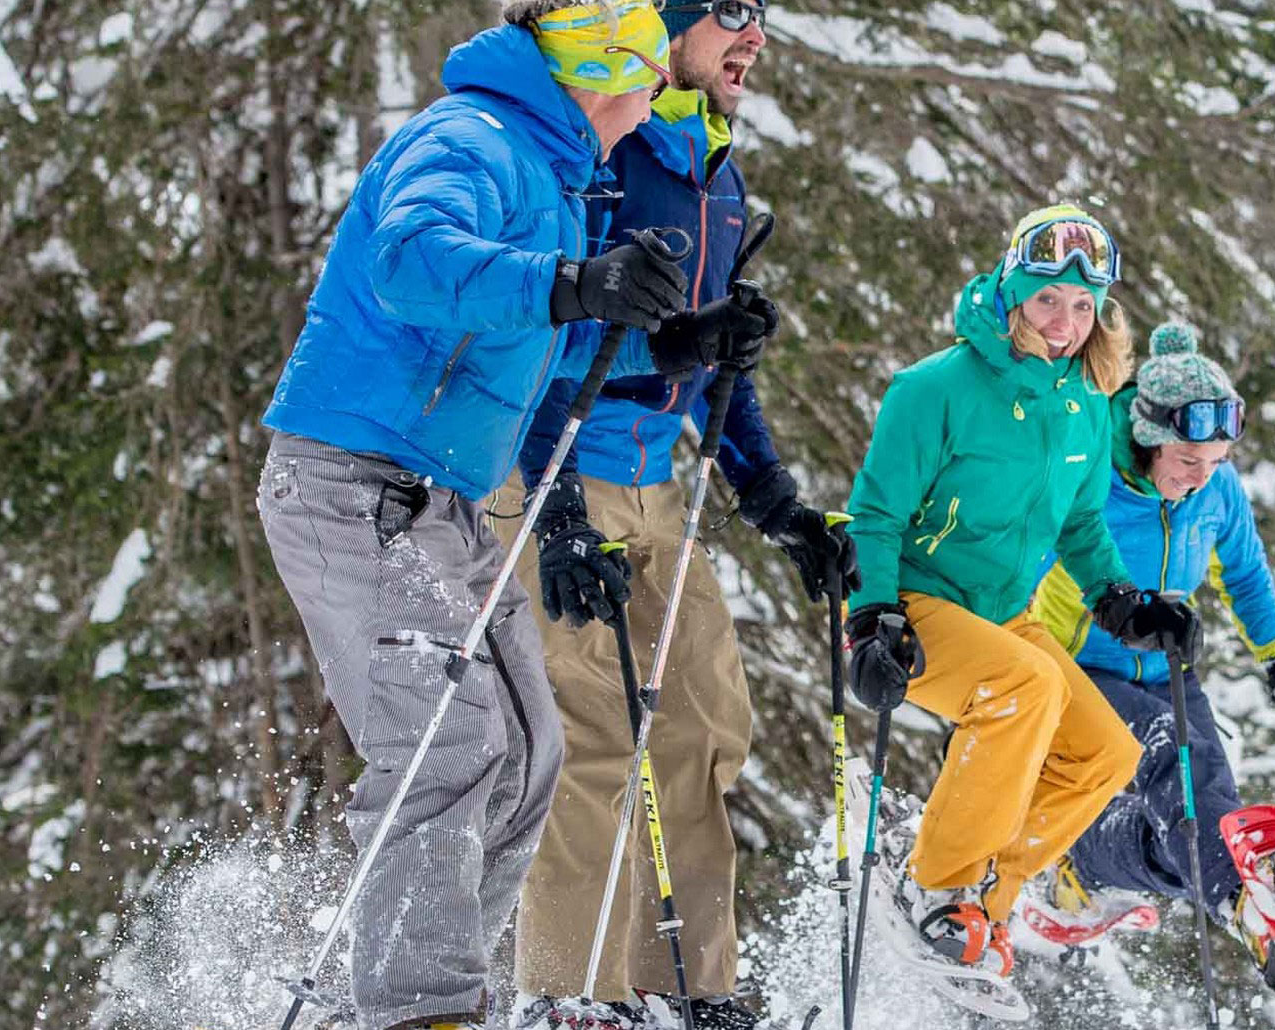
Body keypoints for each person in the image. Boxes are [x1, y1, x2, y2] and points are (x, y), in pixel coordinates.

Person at [252, 4, 687, 1029]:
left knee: (529, 744)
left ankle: (441, 993)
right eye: (650, 76)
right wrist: (576, 282)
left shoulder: (550, 169)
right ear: (602, 72)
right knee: (444, 743)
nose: (658, 99)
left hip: (433, 497)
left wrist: (677, 341)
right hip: (347, 483)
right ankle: (417, 1008)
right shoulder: (471, 138)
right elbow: (412, 261)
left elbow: (536, 344)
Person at [501, 2, 853, 1028]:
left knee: (702, 725)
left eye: (760, 20)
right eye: (729, 15)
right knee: (591, 737)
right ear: (668, 29)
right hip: (560, 471)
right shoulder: (600, 152)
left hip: (662, 487)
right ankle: (571, 994)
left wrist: (779, 507)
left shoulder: (719, 178)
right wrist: (553, 509)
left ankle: (684, 986)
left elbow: (715, 371)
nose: (753, 38)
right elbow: (530, 343)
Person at [841, 204, 1198, 984]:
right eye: (1047, 300)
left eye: (1083, 305)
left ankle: (979, 907)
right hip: (916, 603)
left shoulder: (1083, 405)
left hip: (1005, 615)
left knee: (1105, 752)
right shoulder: (934, 388)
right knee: (1022, 687)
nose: (1066, 322)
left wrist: (1120, 600)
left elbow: (1078, 520)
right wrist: (870, 618)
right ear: (1012, 291)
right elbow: (874, 513)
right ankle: (933, 883)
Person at [1015, 322, 1275, 985]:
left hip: (1168, 666)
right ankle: (1238, 898)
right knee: (1170, 750)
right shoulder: (1087, 478)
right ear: (1149, 438)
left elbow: (1244, 574)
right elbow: (1016, 567)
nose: (1199, 480)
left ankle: (1090, 859)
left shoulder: (1215, 489)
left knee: (1200, 798)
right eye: (1187, 461)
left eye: (1215, 463)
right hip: (1078, 669)